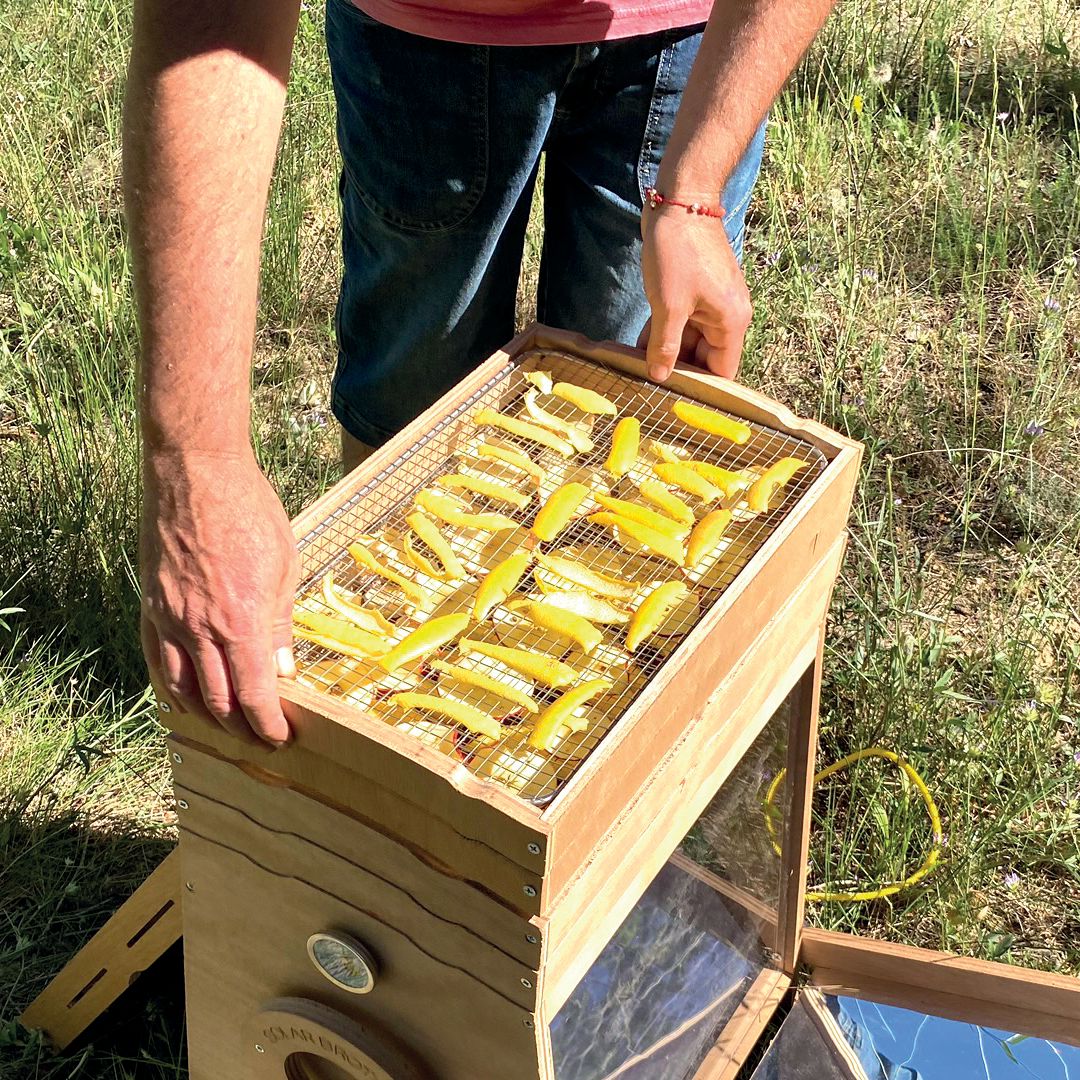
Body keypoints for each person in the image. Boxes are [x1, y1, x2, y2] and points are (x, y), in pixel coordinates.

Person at [125, 0, 835, 748]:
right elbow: (211, 27)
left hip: (693, 43)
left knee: (632, 443)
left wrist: (693, 191)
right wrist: (196, 461)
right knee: (407, 421)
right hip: (420, 37)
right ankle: (386, 732)